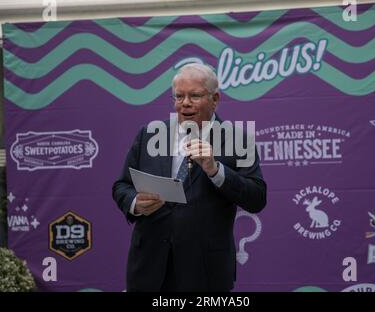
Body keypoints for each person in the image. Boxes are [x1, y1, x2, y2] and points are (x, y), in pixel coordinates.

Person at [112, 62, 267, 292]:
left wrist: (216, 170)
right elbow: (122, 186)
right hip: (149, 268)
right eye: (179, 96)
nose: (185, 103)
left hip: (205, 271)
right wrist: (136, 203)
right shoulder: (150, 133)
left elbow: (257, 198)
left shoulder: (238, 140)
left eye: (194, 96)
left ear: (215, 99)